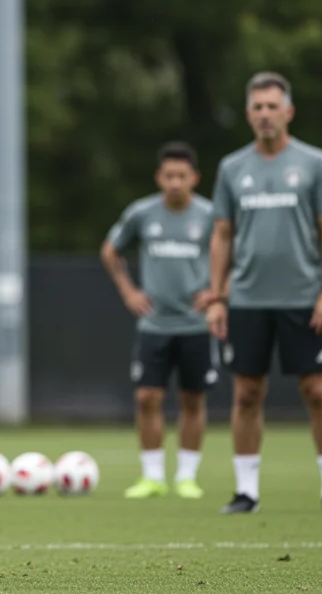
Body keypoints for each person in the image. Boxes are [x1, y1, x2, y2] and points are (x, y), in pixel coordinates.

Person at [206, 71, 322, 514]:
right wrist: (217, 297)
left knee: (318, 391)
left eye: (273, 107)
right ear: (249, 114)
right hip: (247, 299)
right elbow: (222, 236)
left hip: (305, 298)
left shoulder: (314, 162)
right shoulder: (232, 168)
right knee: (246, 393)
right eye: (258, 108)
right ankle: (246, 492)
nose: (265, 115)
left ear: (288, 112)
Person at [101, 142, 217, 500]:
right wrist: (128, 291)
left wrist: (217, 290)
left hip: (196, 325)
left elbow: (234, 256)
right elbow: (110, 250)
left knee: (192, 399)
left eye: (182, 176)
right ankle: (152, 476)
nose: (176, 183)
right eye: (169, 176)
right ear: (159, 177)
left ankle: (186, 476)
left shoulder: (210, 216)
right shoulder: (142, 213)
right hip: (154, 325)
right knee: (147, 397)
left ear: (194, 178)